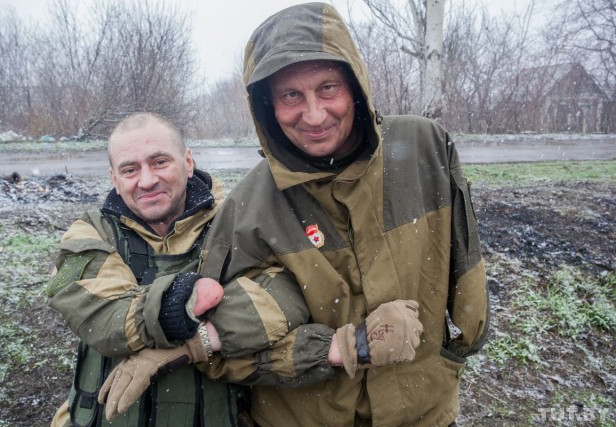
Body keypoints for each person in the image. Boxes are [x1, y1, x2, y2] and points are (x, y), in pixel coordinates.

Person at [100, 2, 490, 425]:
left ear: (355, 85)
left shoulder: (423, 148)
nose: (315, 114)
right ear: (266, 105)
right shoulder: (249, 207)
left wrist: (458, 348)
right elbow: (223, 356)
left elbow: (465, 271)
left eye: (328, 87)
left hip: (423, 411)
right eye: (291, 95)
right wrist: (347, 346)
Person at [45, 112, 250, 426]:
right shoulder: (88, 233)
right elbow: (99, 314)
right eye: (130, 169)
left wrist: (188, 347)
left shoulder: (237, 226)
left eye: (159, 162)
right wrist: (176, 307)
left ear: (188, 161)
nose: (147, 180)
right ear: (114, 178)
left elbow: (271, 301)